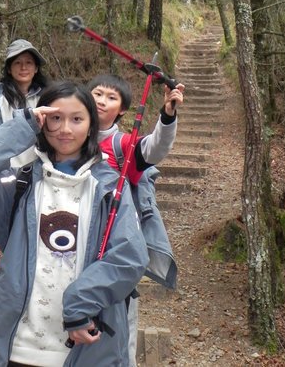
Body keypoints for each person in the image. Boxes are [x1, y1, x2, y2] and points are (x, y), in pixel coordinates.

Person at [0, 80, 149, 367]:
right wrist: (23, 126)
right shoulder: (20, 186)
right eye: (56, 118)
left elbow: (130, 257)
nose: (66, 129)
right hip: (17, 349)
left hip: (84, 349)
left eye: (77, 119)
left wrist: (81, 302)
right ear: (43, 121)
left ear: (91, 125)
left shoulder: (110, 188)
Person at [87, 73, 184, 367]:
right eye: (97, 93)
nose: (102, 101)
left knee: (119, 328)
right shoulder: (66, 137)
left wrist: (167, 115)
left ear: (122, 110)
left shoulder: (122, 146)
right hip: (76, 246)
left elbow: (154, 149)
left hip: (116, 252)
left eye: (111, 97)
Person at [0, 38, 49, 168]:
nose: (23, 67)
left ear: (36, 68)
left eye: (29, 62)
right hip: (5, 169)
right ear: (9, 69)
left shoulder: (47, 95)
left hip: (40, 169)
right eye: (17, 63)